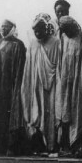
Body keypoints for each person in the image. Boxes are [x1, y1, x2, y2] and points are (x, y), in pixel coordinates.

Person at [55, 16, 82, 154]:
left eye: (68, 29)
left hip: (79, 83)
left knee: (79, 112)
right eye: (63, 30)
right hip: (66, 83)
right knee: (65, 111)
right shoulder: (63, 38)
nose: (66, 32)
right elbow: (60, 60)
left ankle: (80, 145)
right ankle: (66, 145)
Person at [21, 14, 60, 155]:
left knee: (49, 115)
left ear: (46, 28)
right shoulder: (32, 44)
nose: (37, 33)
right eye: (35, 31)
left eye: (40, 30)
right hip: (35, 85)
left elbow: (57, 66)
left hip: (50, 87)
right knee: (36, 115)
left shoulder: (55, 42)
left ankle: (51, 146)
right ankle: (38, 146)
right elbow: (29, 67)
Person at [0, 20, 26, 155]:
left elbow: (20, 67)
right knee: (1, 115)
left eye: (6, 27)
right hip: (0, 85)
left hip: (12, 85)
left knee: (13, 115)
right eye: (2, 27)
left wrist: (16, 85)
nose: (3, 29)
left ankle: (13, 146)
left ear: (12, 28)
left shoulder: (18, 44)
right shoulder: (0, 44)